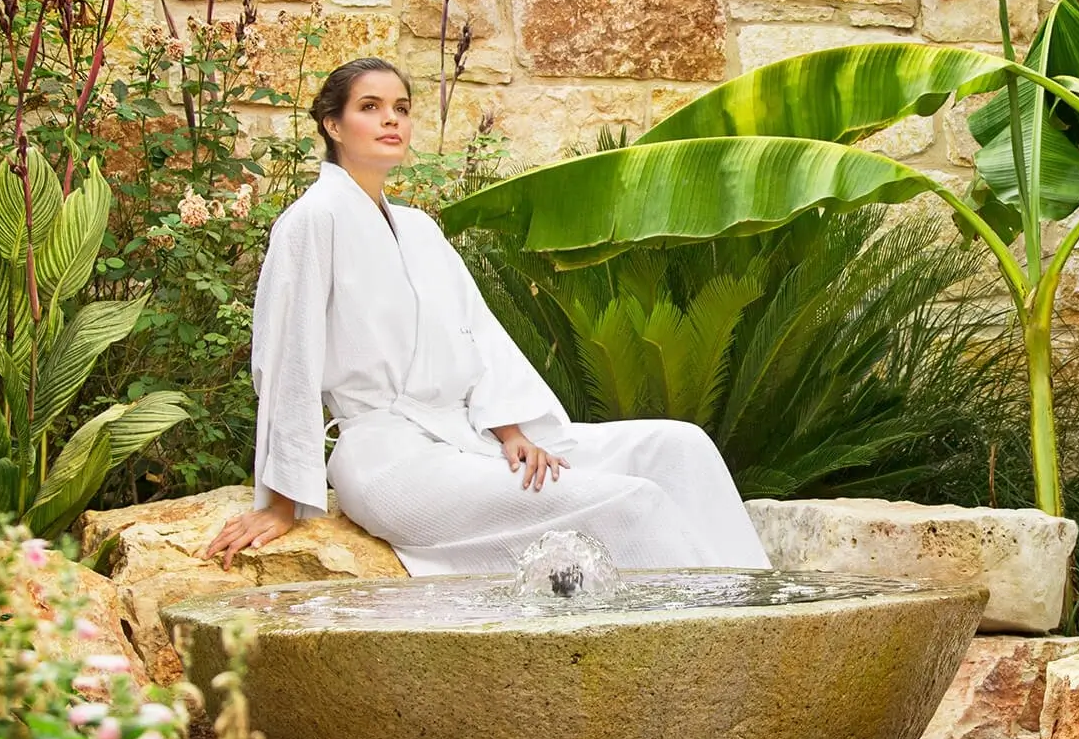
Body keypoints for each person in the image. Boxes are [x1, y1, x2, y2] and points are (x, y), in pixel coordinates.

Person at [199, 58, 772, 575]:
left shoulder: (420, 231)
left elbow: (479, 335)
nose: (390, 120)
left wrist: (511, 429)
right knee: (630, 501)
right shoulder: (311, 221)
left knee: (679, 446)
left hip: (467, 436)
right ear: (332, 124)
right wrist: (279, 501)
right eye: (369, 108)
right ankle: (704, 633)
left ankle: (755, 607)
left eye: (401, 108)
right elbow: (287, 358)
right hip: (388, 460)